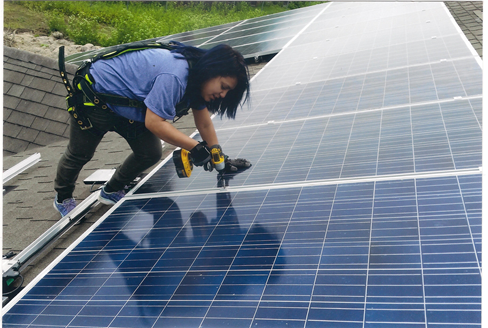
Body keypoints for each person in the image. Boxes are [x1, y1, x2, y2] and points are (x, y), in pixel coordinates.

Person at [53, 41, 251, 217]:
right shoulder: (175, 75)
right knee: (80, 153)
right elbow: (155, 123)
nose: (223, 94)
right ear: (212, 71)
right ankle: (63, 198)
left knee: (150, 152)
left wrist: (218, 156)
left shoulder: (197, 81)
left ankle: (111, 190)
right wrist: (196, 148)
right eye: (223, 86)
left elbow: (205, 123)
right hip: (96, 96)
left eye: (228, 91)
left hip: (130, 105)